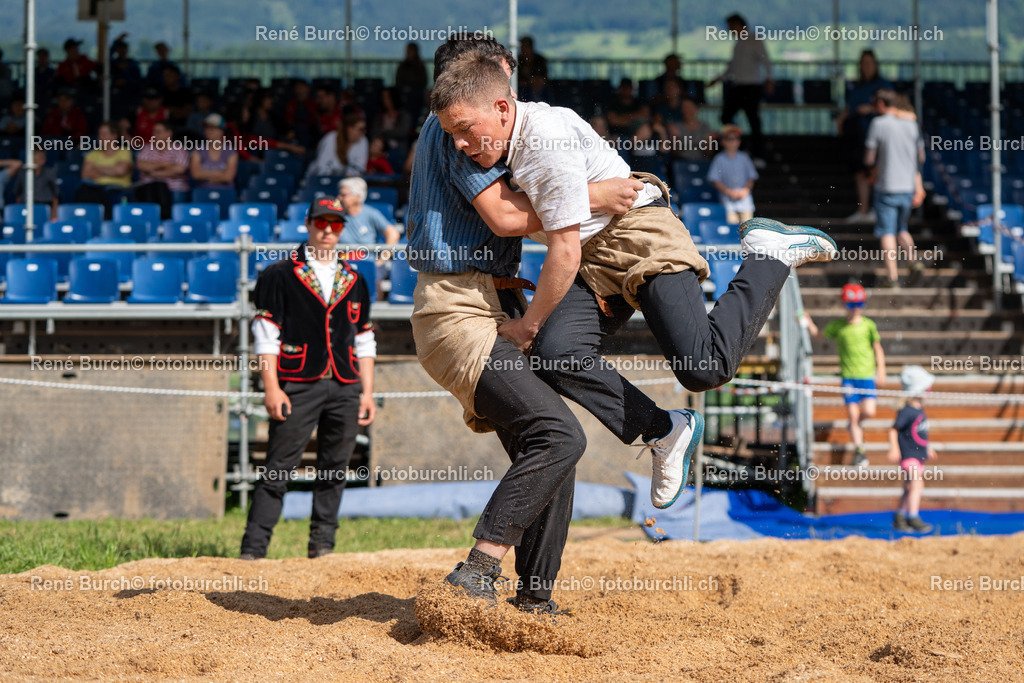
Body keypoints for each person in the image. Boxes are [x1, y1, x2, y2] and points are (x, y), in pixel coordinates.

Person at [431, 55, 836, 506]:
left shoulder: (543, 139)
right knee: (555, 354)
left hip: (638, 234)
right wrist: (593, 193)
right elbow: (529, 217)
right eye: (452, 133)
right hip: (594, 254)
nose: (461, 144)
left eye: (466, 129)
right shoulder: (506, 139)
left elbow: (561, 248)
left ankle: (767, 256)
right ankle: (664, 430)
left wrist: (526, 326)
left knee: (703, 368)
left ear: (503, 109)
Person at [408, 34, 649, 615]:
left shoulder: (475, 128)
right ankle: (479, 567)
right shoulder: (454, 132)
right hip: (458, 309)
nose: (509, 96)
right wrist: (595, 194)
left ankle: (534, 599)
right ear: (474, 79)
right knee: (560, 437)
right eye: (502, 78)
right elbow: (506, 215)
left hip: (487, 303)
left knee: (553, 448)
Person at [240, 197, 377, 560]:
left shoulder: (355, 278)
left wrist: (366, 393)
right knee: (278, 467)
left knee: (335, 468)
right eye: (321, 223)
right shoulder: (279, 274)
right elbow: (265, 334)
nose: (328, 230)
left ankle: (322, 548)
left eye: (335, 224)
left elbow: (364, 338)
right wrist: (271, 387)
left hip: (346, 384)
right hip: (297, 383)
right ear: (308, 223)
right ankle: (253, 550)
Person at [803, 284, 886, 468]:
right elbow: (818, 335)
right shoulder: (838, 326)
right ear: (844, 304)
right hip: (849, 377)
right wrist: (808, 322)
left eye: (858, 304)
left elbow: (877, 348)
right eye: (850, 305)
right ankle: (860, 451)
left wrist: (881, 370)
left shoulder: (868, 325)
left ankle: (854, 426)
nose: (855, 309)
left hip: (866, 376)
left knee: (869, 411)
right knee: (853, 415)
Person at [864, 88, 925, 289]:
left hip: (887, 186)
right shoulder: (912, 125)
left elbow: (869, 159)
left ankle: (892, 278)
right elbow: (920, 158)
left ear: (880, 104)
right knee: (901, 228)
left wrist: (871, 169)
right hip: (907, 187)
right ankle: (913, 260)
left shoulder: (878, 124)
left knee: (887, 232)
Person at [708, 14, 772, 165]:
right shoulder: (739, 43)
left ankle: (758, 154)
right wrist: (718, 79)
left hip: (752, 86)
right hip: (739, 85)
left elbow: (766, 60)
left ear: (738, 24)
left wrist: (769, 79)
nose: (729, 30)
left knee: (753, 120)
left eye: (731, 26)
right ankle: (738, 146)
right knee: (726, 116)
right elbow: (733, 66)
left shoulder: (754, 40)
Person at [838, 50, 892, 223]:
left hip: (877, 136)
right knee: (860, 172)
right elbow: (850, 107)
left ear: (875, 65)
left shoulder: (884, 86)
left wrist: (870, 109)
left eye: (869, 62)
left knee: (875, 171)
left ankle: (879, 209)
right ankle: (864, 210)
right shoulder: (856, 86)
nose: (866, 66)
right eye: (863, 63)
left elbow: (893, 109)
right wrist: (842, 119)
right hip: (857, 135)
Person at [889, 365, 936, 533]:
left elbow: (920, 432)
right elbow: (894, 429)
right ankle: (913, 517)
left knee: (909, 486)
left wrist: (927, 448)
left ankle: (900, 516)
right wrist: (894, 449)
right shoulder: (907, 411)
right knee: (917, 484)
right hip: (909, 455)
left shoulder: (919, 410)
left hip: (918, 454)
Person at [135, 120, 189, 214]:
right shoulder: (148, 148)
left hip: (173, 188)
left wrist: (154, 172)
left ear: (169, 133)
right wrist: (165, 164)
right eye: (154, 131)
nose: (155, 134)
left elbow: (180, 169)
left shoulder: (179, 148)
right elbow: (141, 165)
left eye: (158, 132)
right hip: (149, 187)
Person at [707, 124, 758, 223]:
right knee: (731, 228)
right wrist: (728, 191)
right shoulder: (719, 159)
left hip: (745, 201)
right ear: (723, 141)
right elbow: (714, 179)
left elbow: (751, 177)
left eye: (736, 138)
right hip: (727, 202)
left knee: (748, 230)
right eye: (729, 138)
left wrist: (745, 190)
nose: (733, 141)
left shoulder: (744, 157)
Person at [337, 177, 400, 246]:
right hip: (343, 256)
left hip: (368, 256)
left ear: (357, 197)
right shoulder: (335, 215)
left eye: (343, 195)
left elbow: (393, 233)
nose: (339, 198)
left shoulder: (371, 213)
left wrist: (384, 256)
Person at [306, 114, 368, 178]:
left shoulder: (363, 140)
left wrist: (349, 174)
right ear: (349, 129)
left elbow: (360, 166)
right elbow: (321, 166)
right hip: (319, 179)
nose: (363, 132)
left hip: (346, 182)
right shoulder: (330, 138)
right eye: (361, 129)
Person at [190, 113, 238, 189]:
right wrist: (219, 173)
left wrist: (206, 176)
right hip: (203, 192)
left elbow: (228, 177)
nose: (209, 130)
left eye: (213, 128)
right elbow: (195, 174)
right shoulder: (198, 150)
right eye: (206, 128)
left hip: (225, 192)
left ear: (222, 131)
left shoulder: (230, 151)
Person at [81, 121, 133, 190]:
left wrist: (96, 168)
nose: (100, 137)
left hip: (117, 190)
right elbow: (85, 174)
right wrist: (113, 171)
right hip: (96, 189)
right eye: (99, 134)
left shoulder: (124, 151)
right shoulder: (92, 153)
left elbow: (120, 171)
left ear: (114, 136)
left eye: (104, 134)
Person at [13, 147, 58, 221]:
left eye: (36, 161)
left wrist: (54, 215)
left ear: (43, 160)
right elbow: (18, 194)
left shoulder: (49, 173)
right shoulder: (22, 173)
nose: (34, 163)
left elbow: (55, 196)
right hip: (25, 207)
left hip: (44, 206)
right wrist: (19, 212)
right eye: (32, 160)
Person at [516, 36, 548, 102]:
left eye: (526, 47)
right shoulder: (517, 61)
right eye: (522, 48)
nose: (524, 50)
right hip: (523, 89)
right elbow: (516, 80)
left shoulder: (540, 60)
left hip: (540, 89)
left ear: (531, 48)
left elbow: (543, 78)